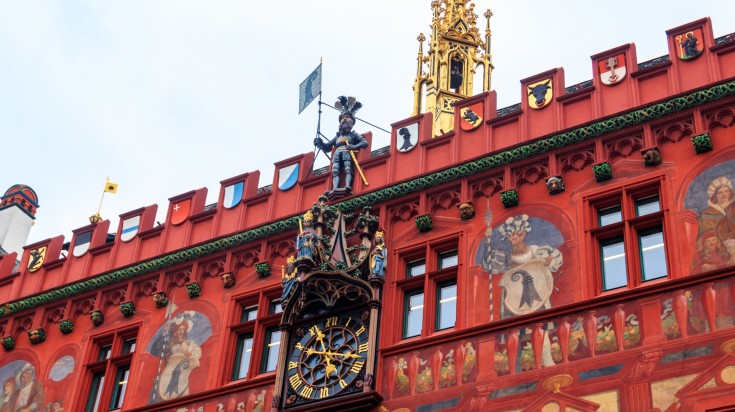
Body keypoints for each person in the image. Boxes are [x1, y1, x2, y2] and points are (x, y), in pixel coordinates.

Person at [314, 96, 368, 193]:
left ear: (352, 121)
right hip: (337, 154)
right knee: (335, 171)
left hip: (347, 152)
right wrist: (320, 142)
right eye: (343, 117)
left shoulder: (353, 134)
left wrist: (354, 146)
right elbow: (327, 148)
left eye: (347, 117)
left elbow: (364, 142)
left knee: (348, 169)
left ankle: (348, 186)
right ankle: (335, 188)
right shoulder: (337, 137)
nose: (345, 119)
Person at [151, 317, 202, 402]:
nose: (182, 332)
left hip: (185, 373)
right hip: (169, 374)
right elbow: (155, 350)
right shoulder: (169, 345)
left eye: (183, 330)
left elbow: (198, 352)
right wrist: (165, 333)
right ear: (174, 333)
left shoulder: (190, 344)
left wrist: (191, 354)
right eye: (179, 330)